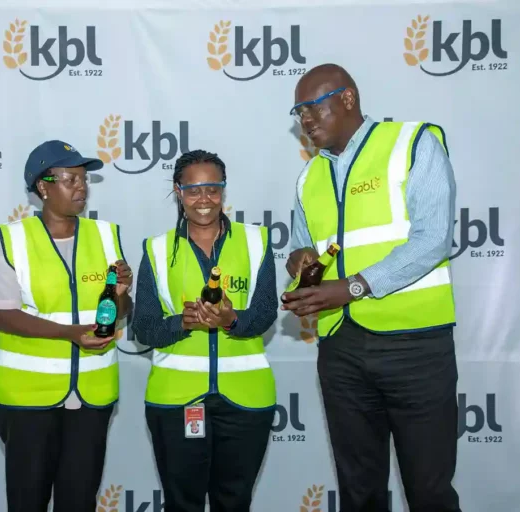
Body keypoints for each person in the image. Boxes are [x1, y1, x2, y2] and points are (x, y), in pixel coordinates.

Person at [281, 63, 461, 512]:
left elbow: (434, 237)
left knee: (429, 491)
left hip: (415, 346)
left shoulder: (413, 142)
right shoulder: (309, 177)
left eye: (312, 108)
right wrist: (298, 262)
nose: (304, 120)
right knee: (359, 491)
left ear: (347, 99)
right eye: (297, 113)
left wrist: (355, 287)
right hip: (341, 349)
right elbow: (307, 249)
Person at [0, 140, 133, 512]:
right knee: (28, 500)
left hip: (92, 396)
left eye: (83, 178)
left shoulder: (105, 235)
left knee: (79, 500)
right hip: (29, 399)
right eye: (69, 178)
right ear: (43, 187)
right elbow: (2, 315)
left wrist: (121, 294)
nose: (80, 186)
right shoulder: (11, 239)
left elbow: (119, 309)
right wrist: (70, 334)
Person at [132, 149, 278, 512]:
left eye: (213, 188)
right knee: (183, 504)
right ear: (178, 191)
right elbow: (144, 328)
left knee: (234, 502)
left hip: (246, 401)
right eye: (194, 190)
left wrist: (231, 320)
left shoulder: (256, 241)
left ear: (224, 191)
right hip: (177, 400)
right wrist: (182, 322)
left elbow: (264, 313)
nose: (204, 199)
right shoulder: (156, 249)